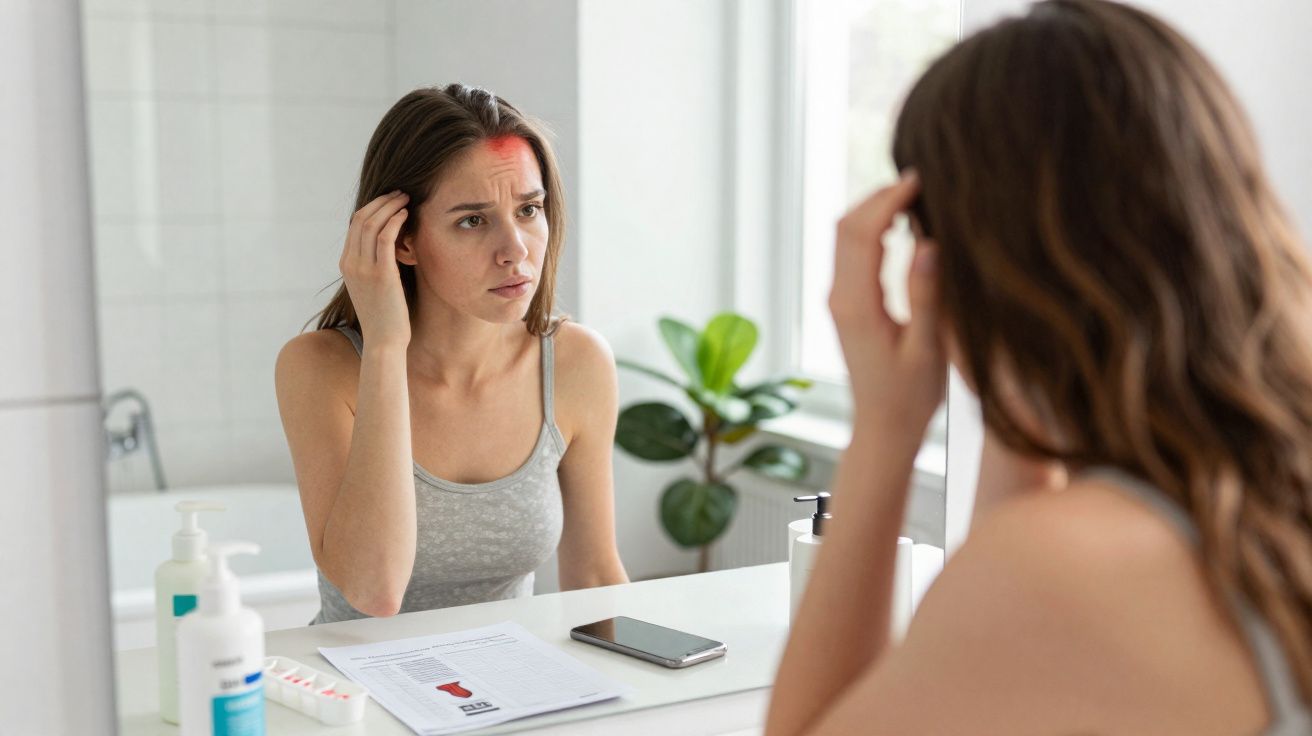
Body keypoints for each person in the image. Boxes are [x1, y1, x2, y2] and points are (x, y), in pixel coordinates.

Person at [767, 1, 1312, 733]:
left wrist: (886, 426)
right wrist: (1014, 387)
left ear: (957, 264)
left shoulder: (1075, 566)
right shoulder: (1250, 493)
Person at [275, 84, 628, 624]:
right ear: (401, 240)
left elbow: (595, 577)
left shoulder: (577, 363)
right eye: (473, 220)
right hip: (356, 696)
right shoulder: (320, 369)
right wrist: (386, 347)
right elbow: (374, 591)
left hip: (514, 688)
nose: (515, 251)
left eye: (529, 210)